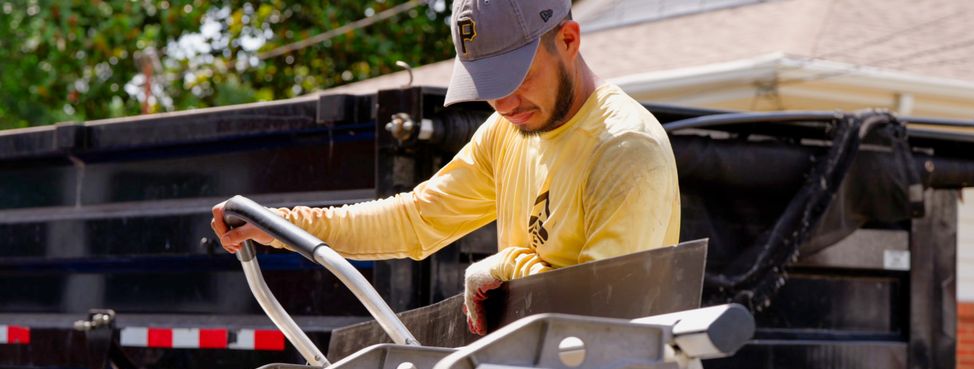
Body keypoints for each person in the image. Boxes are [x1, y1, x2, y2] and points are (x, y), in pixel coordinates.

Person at [212, 0, 680, 335]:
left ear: (569, 40)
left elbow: (606, 319)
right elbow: (415, 219)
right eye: (488, 84)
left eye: (517, 77)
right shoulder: (508, 130)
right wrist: (284, 227)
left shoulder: (623, 148)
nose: (503, 102)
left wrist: (507, 266)